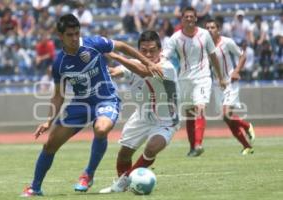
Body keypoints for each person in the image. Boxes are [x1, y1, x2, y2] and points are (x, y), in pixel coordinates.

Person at [20, 14, 161, 197]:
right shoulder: (59, 63)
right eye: (70, 35)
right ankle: (35, 187)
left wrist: (148, 63)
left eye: (77, 33)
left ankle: (88, 174)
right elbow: (58, 95)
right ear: (60, 36)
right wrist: (48, 121)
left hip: (106, 98)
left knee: (101, 129)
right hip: (79, 103)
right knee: (50, 145)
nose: (74, 38)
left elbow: (123, 46)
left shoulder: (93, 43)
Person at [99, 30, 180, 193]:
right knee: (124, 154)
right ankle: (125, 187)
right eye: (144, 50)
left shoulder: (167, 67)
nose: (148, 54)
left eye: (152, 50)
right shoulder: (134, 62)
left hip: (166, 119)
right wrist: (111, 71)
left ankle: (123, 182)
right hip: (142, 116)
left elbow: (144, 71)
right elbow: (120, 71)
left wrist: (116, 56)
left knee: (151, 148)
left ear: (160, 50)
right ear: (138, 51)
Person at [163, 7, 226, 157]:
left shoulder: (205, 35)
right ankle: (193, 148)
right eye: (186, 17)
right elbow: (165, 55)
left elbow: (213, 56)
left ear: (196, 18)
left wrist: (220, 76)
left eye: (192, 17)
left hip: (203, 78)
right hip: (184, 79)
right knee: (190, 113)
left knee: (200, 107)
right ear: (182, 19)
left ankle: (198, 144)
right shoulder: (175, 38)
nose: (189, 19)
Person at [205, 19, 255, 155]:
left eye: (212, 27)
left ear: (218, 29)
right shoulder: (204, 46)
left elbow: (242, 55)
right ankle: (247, 146)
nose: (210, 30)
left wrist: (236, 71)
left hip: (230, 83)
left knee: (226, 114)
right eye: (207, 28)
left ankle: (247, 125)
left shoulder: (226, 42)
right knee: (227, 119)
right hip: (217, 85)